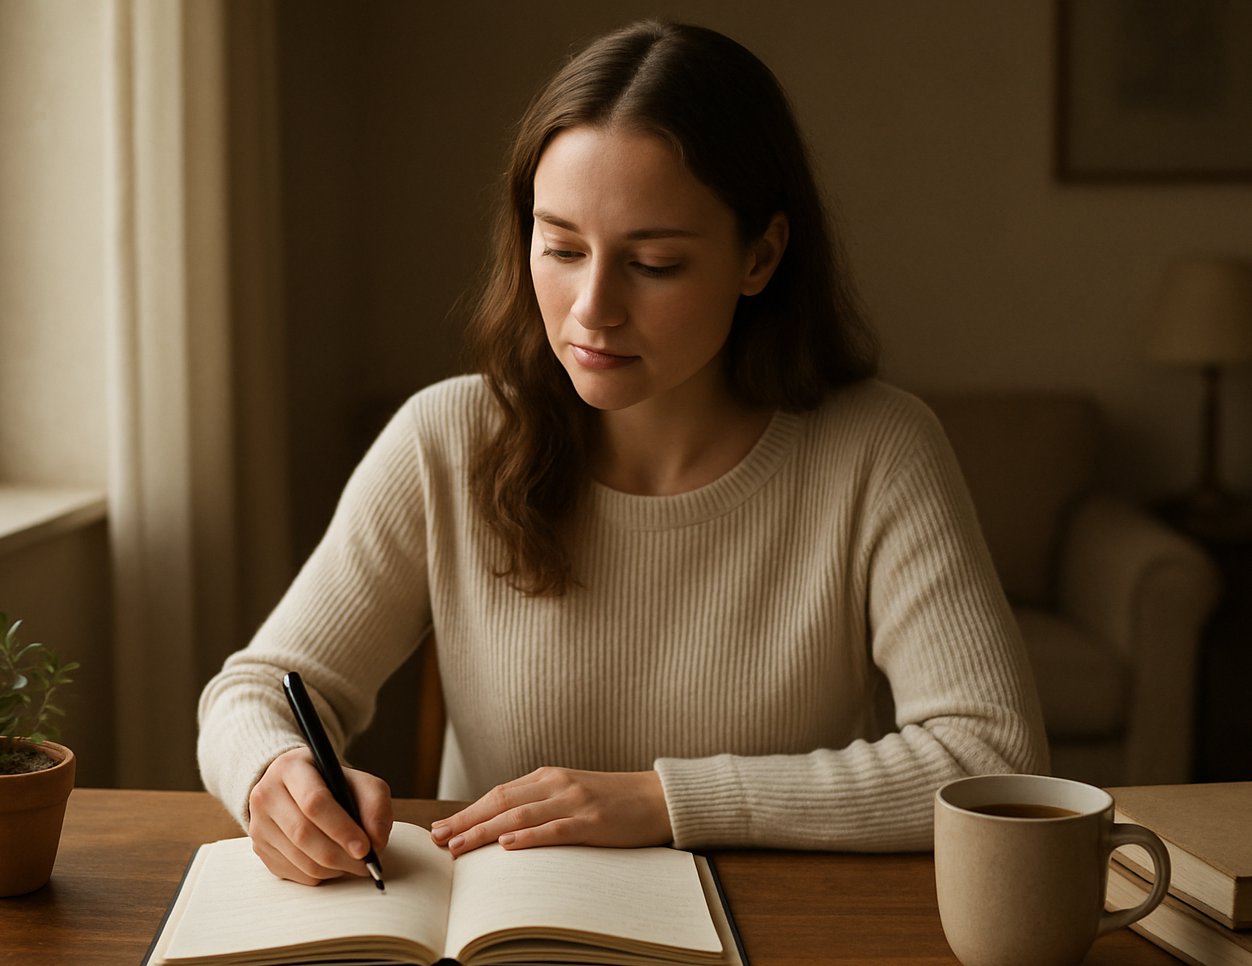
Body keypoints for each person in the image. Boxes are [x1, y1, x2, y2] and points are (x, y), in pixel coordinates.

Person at [197, 19, 1048, 886]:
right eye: (561, 247)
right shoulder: (447, 437)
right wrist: (273, 773)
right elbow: (255, 692)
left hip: (781, 947)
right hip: (504, 948)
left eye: (653, 263)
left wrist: (666, 801)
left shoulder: (878, 450)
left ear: (761, 255)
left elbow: (987, 755)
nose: (591, 309)